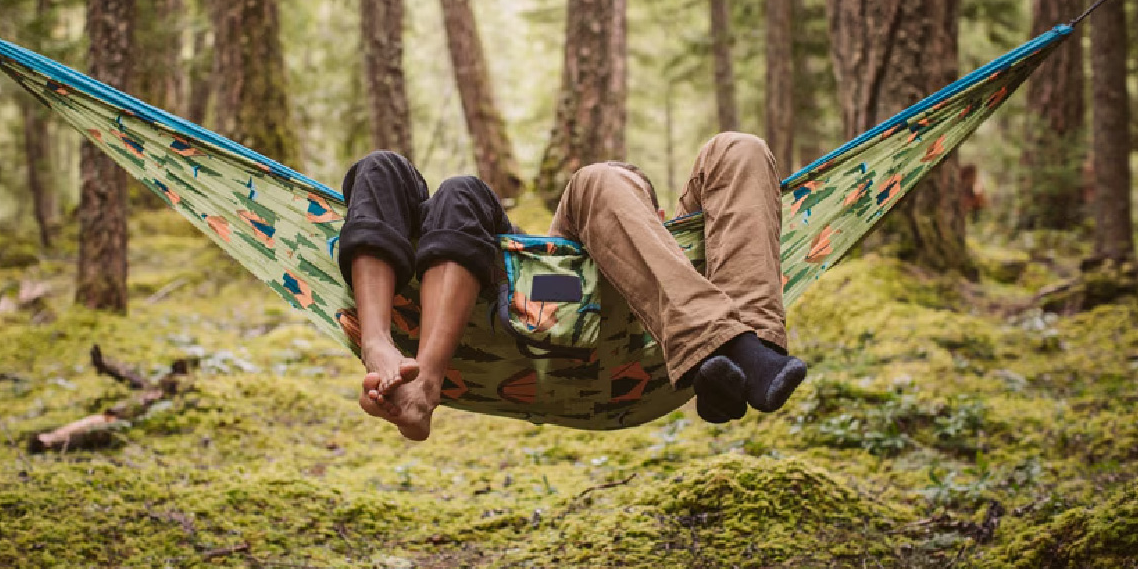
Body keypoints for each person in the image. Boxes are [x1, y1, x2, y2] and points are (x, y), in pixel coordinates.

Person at [338, 132, 807, 440]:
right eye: (632, 203)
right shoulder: (538, 267)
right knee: (396, 173)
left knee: (740, 147)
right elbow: (546, 286)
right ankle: (388, 353)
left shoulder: (667, 245)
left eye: (638, 201)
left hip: (651, 307)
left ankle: (747, 350)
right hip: (547, 289)